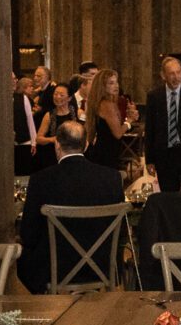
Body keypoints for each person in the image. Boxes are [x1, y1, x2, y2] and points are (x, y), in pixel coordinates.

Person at [17, 121, 124, 293]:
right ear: (86, 145)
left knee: (23, 253)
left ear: (57, 145)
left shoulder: (41, 180)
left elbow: (28, 233)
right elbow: (121, 232)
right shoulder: (111, 178)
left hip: (55, 269)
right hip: (100, 265)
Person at [141, 55, 181, 192]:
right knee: (169, 195)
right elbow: (150, 129)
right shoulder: (154, 96)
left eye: (178, 72)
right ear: (163, 75)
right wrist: (150, 159)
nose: (176, 77)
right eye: (171, 73)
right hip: (165, 155)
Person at [84, 68, 128, 171]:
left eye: (116, 82)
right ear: (102, 86)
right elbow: (118, 133)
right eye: (111, 83)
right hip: (106, 152)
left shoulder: (105, 102)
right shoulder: (106, 105)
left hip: (106, 150)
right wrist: (129, 122)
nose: (116, 85)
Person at [33, 82, 78, 174]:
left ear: (69, 98)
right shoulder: (49, 115)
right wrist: (52, 139)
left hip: (73, 155)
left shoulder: (78, 113)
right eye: (55, 94)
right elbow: (38, 139)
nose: (57, 97)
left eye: (61, 95)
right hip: (52, 157)